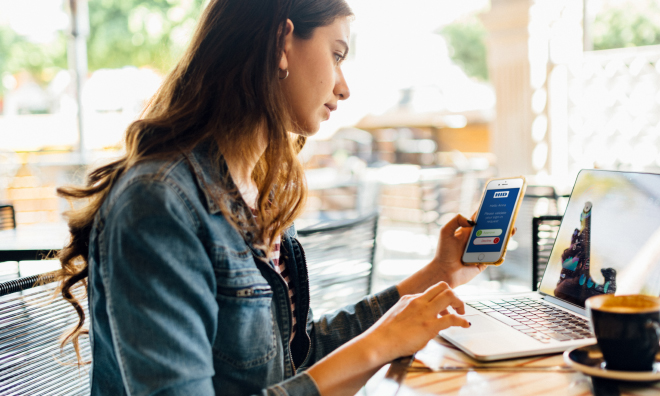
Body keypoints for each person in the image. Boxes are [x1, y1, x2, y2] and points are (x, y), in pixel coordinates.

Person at [56, 1, 511, 395]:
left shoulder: (259, 192)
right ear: (281, 42)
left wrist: (439, 273)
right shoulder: (158, 204)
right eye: (336, 54)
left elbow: (300, 354)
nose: (344, 86)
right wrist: (382, 343)